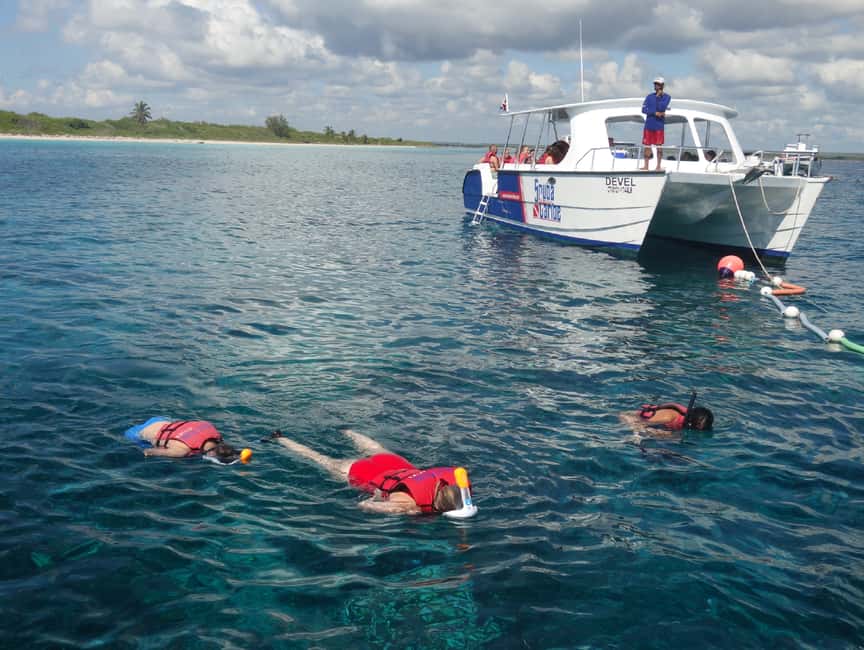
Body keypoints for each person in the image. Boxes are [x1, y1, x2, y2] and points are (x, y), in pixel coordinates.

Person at [268, 429, 471, 515]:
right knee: (318, 458)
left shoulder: (456, 480)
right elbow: (364, 504)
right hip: (363, 474)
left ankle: (345, 430)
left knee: (373, 448)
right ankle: (280, 439)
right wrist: (409, 512)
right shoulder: (407, 504)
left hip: (394, 463)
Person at [125, 417, 250, 464]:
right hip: (139, 432)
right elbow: (148, 451)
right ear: (211, 454)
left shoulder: (211, 428)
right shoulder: (181, 451)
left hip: (162, 420)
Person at [619, 393, 714, 438]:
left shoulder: (687, 421)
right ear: (691, 420)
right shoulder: (669, 416)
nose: (697, 430)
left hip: (653, 424)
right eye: (696, 427)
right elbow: (639, 424)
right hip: (628, 417)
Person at [641, 76, 671, 171]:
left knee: (659, 146)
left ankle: (658, 166)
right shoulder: (649, 96)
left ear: (662, 85)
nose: (655, 85)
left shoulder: (667, 97)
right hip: (649, 125)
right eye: (655, 83)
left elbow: (662, 107)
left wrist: (658, 98)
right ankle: (646, 166)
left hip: (659, 126)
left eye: (657, 84)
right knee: (647, 146)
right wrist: (655, 113)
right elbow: (643, 109)